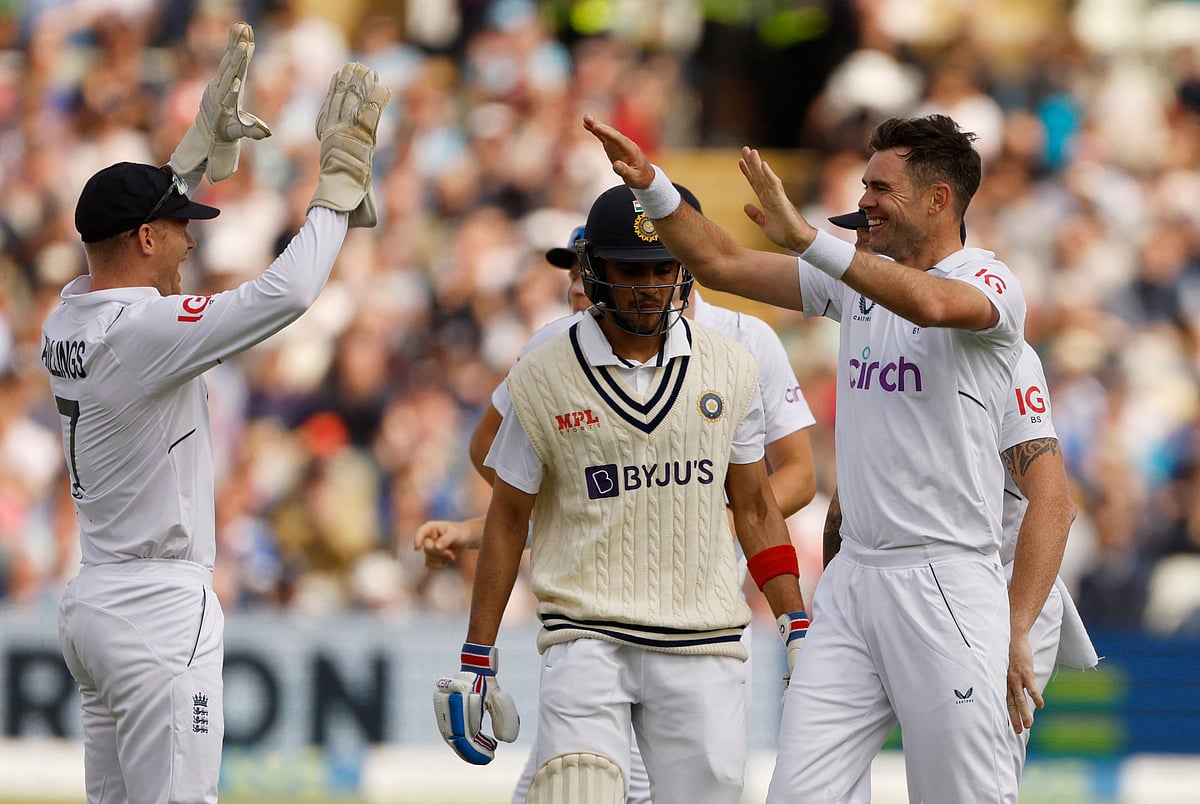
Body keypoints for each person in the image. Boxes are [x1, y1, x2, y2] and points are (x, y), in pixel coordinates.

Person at [585, 113, 1035, 803]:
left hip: (946, 577)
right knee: (799, 795)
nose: (865, 199)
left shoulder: (989, 281)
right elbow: (721, 264)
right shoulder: (861, 276)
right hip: (853, 577)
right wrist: (652, 186)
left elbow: (935, 305)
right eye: (864, 183)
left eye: (881, 186)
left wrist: (808, 241)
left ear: (939, 200)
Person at [42, 22, 390, 803]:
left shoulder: (66, 315)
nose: (187, 246)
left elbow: (126, 243)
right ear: (142, 238)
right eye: (178, 231)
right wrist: (335, 192)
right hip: (158, 609)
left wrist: (191, 153)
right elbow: (288, 295)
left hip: (95, 602)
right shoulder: (144, 331)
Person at [417, 209, 819, 804]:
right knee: (573, 789)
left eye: (664, 268)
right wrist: (478, 655)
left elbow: (758, 507)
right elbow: (510, 514)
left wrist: (796, 626)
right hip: (586, 632)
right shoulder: (544, 367)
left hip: (702, 632)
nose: (651, 285)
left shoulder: (734, 361)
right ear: (596, 271)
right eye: (632, 270)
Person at [821, 211, 1099, 793]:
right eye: (856, 233)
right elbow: (847, 507)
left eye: (870, 232)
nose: (859, 246)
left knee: (967, 787)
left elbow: (1054, 504)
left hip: (997, 586)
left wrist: (1014, 628)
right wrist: (837, 609)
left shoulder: (1000, 347)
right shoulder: (869, 334)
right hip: (889, 583)